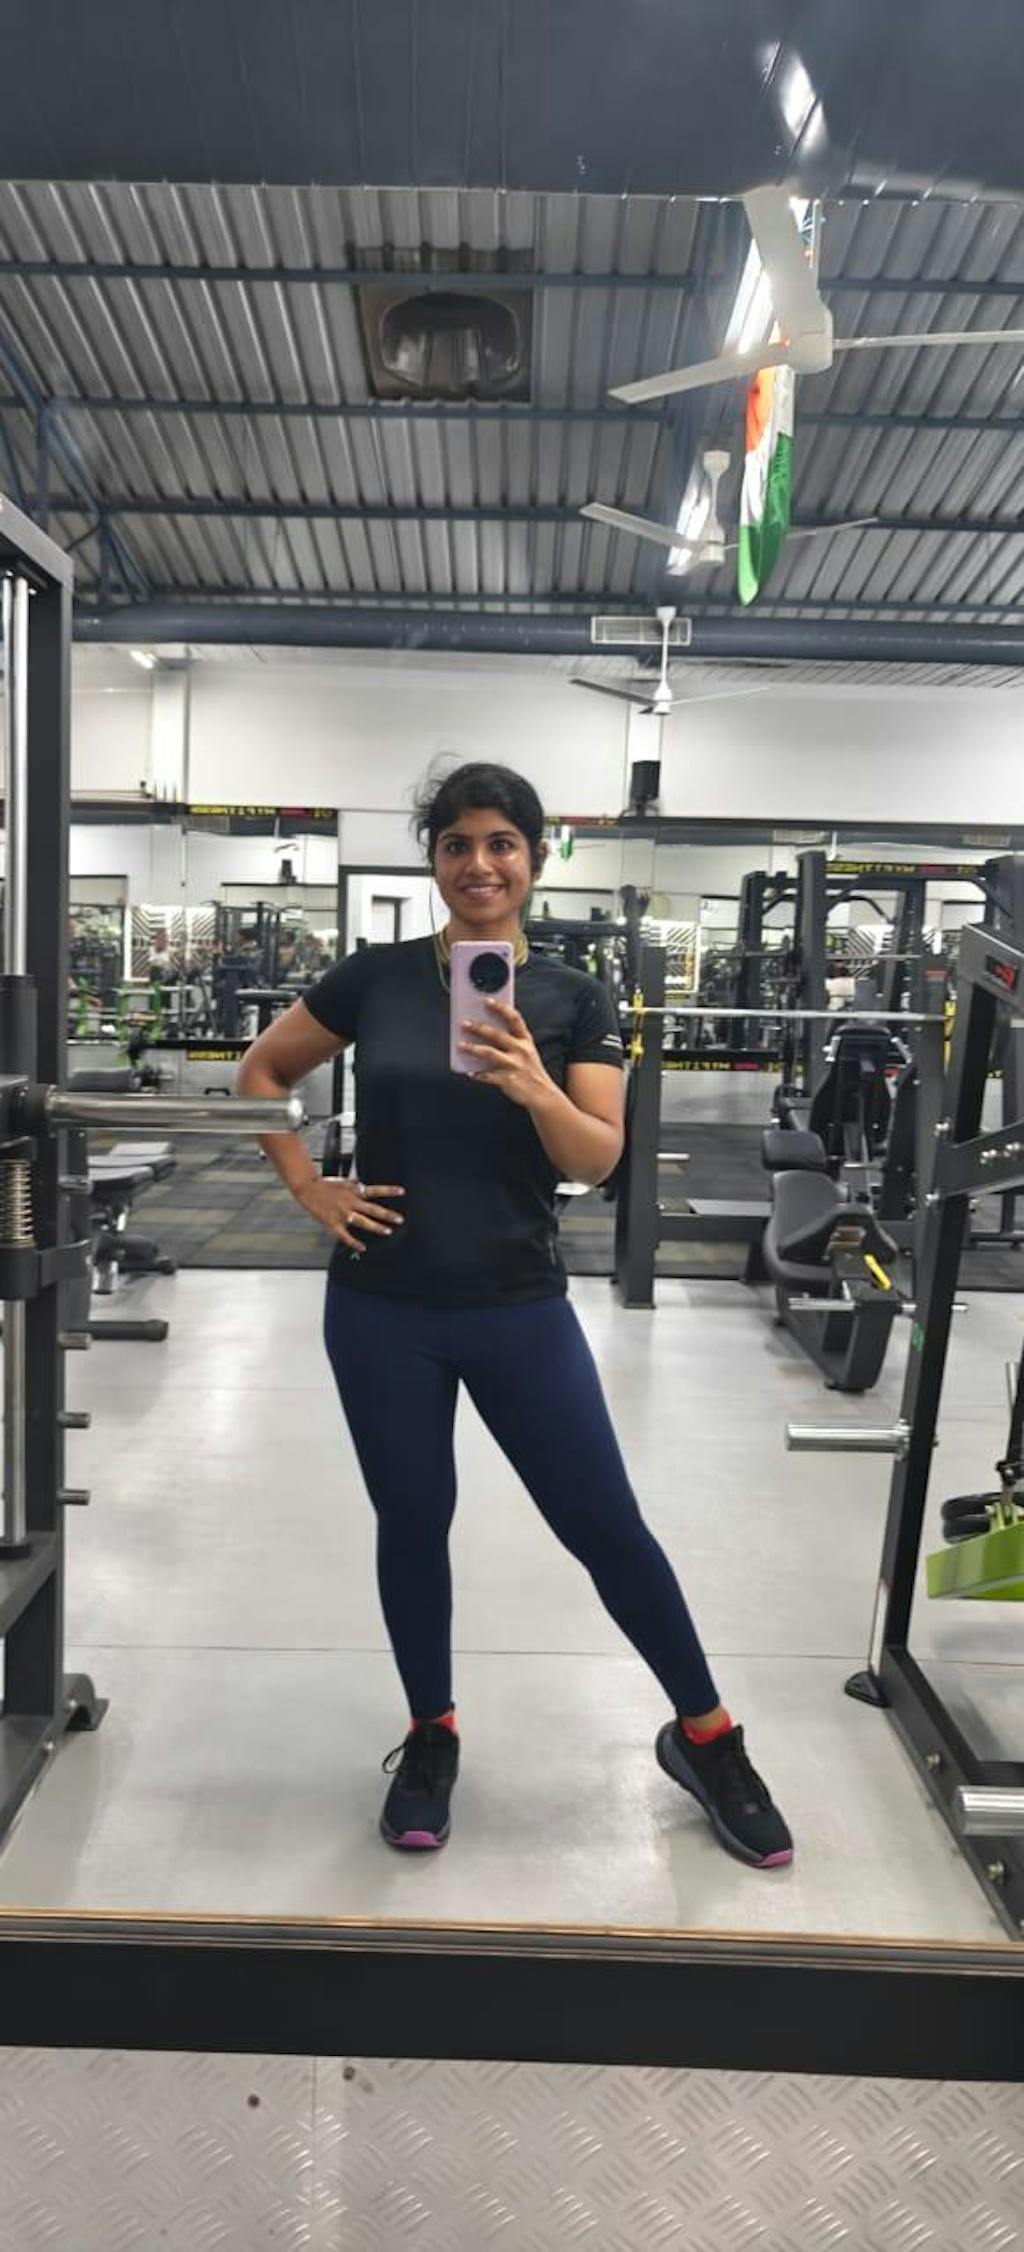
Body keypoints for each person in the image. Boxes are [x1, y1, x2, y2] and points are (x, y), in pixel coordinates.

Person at [237, 763, 792, 1871]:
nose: (479, 864)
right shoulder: (376, 977)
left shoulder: (576, 997)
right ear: (434, 860)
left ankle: (707, 1738)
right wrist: (310, 1187)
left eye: (501, 843)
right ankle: (431, 1734)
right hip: (382, 1303)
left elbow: (598, 1157)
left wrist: (536, 1084)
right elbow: (262, 1073)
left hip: (516, 1302)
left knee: (604, 1525)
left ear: (534, 858)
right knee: (412, 1520)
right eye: (456, 844)